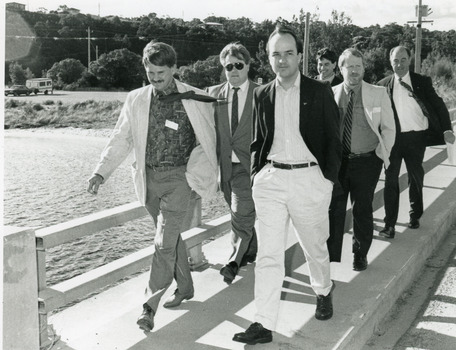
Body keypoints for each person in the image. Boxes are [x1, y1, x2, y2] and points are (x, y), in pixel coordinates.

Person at [87, 41, 218, 332]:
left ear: (174, 68)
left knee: (162, 242)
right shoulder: (136, 99)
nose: (156, 78)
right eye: (150, 72)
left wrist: (200, 172)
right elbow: (122, 138)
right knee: (170, 240)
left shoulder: (195, 98)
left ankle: (149, 307)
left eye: (161, 72)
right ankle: (185, 286)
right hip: (148, 179)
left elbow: (210, 139)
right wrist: (101, 172)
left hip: (179, 181)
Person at [233, 24, 341, 345]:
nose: (282, 61)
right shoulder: (262, 93)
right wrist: (257, 176)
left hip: (309, 179)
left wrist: (326, 182)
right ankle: (263, 323)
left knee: (313, 246)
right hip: (272, 180)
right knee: (268, 254)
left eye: (288, 54)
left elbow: (334, 143)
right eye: (275, 55)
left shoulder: (319, 92)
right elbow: (258, 141)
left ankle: (322, 290)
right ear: (268, 58)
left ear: (299, 56)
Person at [328, 48, 396, 270]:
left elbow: (389, 127)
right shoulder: (331, 93)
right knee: (334, 208)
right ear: (341, 68)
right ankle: (331, 254)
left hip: (367, 161)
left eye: (358, 66)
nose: (354, 71)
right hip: (338, 162)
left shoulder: (378, 93)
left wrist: (380, 153)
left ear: (364, 68)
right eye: (350, 66)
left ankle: (360, 253)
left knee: (362, 210)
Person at [377, 46, 455, 238]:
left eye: (403, 60)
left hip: (416, 138)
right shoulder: (382, 85)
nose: (399, 64)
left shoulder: (421, 82)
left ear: (409, 60)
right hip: (393, 140)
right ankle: (389, 225)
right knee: (391, 180)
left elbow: (437, 104)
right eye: (396, 60)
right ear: (390, 62)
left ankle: (415, 214)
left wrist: (447, 129)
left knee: (415, 177)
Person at [206, 42, 258, 285]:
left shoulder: (262, 93)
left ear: (247, 66)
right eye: (229, 66)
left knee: (240, 212)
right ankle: (251, 248)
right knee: (241, 214)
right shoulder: (213, 94)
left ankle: (233, 262)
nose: (234, 70)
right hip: (225, 168)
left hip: (252, 167)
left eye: (239, 65)